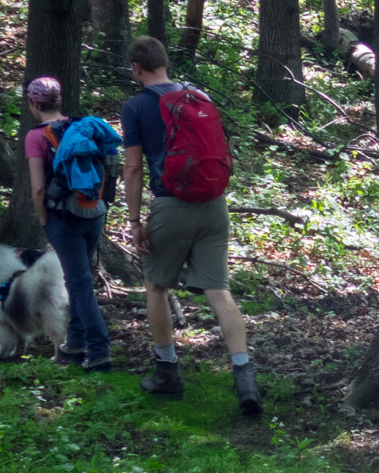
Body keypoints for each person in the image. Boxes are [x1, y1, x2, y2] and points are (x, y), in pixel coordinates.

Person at [119, 36, 261, 414]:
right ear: (165, 62)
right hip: (214, 205)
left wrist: (134, 221)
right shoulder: (199, 96)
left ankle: (167, 372)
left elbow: (133, 167)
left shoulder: (135, 106)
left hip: (171, 204)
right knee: (219, 291)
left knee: (156, 285)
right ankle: (245, 377)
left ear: (137, 68)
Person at [23, 76, 112, 371]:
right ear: (59, 100)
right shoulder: (83, 127)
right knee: (79, 278)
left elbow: (37, 188)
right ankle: (75, 341)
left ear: (34, 103)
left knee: (78, 282)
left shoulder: (36, 137)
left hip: (63, 217)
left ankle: (99, 349)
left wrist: (43, 218)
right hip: (94, 212)